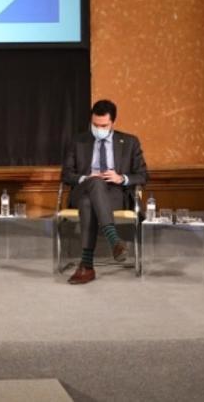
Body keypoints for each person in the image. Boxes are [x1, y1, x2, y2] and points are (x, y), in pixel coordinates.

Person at [59, 99, 149, 285]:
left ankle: (86, 266)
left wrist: (121, 178)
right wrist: (87, 178)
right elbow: (66, 174)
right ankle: (113, 238)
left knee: (88, 202)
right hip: (83, 188)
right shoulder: (78, 141)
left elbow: (142, 175)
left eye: (103, 125)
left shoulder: (130, 142)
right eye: (95, 125)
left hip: (114, 194)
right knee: (94, 183)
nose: (98, 128)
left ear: (113, 123)